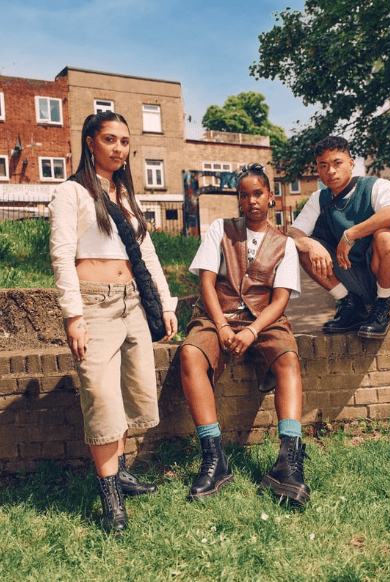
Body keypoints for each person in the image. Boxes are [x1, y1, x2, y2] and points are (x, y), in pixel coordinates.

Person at [49, 111, 178, 533]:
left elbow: (147, 253)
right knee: (102, 400)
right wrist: (73, 316)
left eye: (124, 141)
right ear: (90, 142)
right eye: (110, 139)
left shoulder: (124, 194)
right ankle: (111, 501)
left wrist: (166, 303)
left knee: (127, 393)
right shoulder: (72, 192)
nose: (119, 148)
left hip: (133, 303)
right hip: (95, 306)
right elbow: (62, 258)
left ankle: (120, 474)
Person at [179, 163, 310, 506]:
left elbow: (280, 300)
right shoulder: (220, 229)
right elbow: (206, 283)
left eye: (258, 193)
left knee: (288, 357)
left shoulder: (285, 244)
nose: (251, 201)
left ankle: (289, 463)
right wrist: (222, 325)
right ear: (238, 199)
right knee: (190, 353)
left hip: (263, 321)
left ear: (270, 196)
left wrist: (252, 331)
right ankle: (214, 459)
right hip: (217, 315)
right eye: (244, 195)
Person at [289, 136, 390, 338]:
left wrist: (351, 234)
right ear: (318, 169)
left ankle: (382, 307)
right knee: (302, 247)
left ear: (351, 163)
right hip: (355, 280)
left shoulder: (376, 186)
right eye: (323, 165)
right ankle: (350, 305)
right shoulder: (318, 199)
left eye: (337, 163)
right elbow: (293, 233)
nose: (331, 171)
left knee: (385, 236)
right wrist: (310, 244)